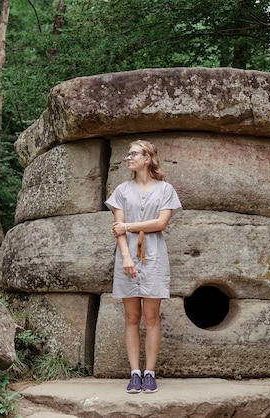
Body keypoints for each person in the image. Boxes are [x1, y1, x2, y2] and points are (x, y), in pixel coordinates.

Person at [105, 140, 182, 394]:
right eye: (128, 154)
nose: (128, 158)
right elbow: (117, 229)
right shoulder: (121, 191)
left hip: (154, 256)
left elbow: (161, 223)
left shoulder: (166, 189)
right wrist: (126, 257)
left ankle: (150, 373)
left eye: (133, 154)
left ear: (147, 158)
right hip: (127, 256)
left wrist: (129, 227)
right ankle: (134, 373)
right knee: (131, 317)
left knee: (151, 317)